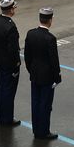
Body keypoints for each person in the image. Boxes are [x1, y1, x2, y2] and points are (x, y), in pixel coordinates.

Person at [24, 8, 61, 140]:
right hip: (47, 77)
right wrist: (57, 77)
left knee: (35, 102)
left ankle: (36, 130)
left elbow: (27, 56)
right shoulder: (50, 38)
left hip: (34, 74)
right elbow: (54, 61)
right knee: (45, 105)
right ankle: (44, 131)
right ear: (50, 20)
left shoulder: (31, 34)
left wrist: (30, 69)